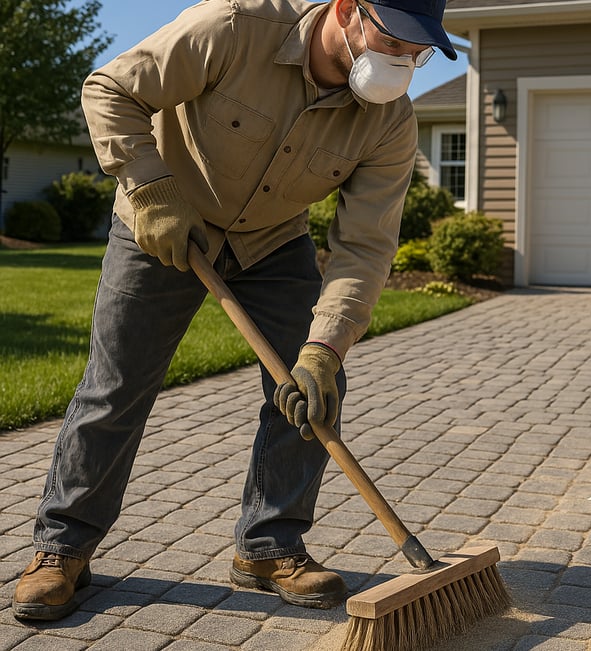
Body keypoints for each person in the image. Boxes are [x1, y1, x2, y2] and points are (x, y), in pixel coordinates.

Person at [12, 0, 456, 621]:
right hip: (163, 222)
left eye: (419, 50)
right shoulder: (234, 28)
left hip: (271, 240)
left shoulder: (389, 122)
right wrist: (150, 187)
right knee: (117, 385)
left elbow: (365, 248)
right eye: (395, 40)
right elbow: (110, 88)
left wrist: (324, 351)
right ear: (350, 10)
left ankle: (269, 546)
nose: (404, 60)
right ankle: (62, 546)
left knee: (312, 390)